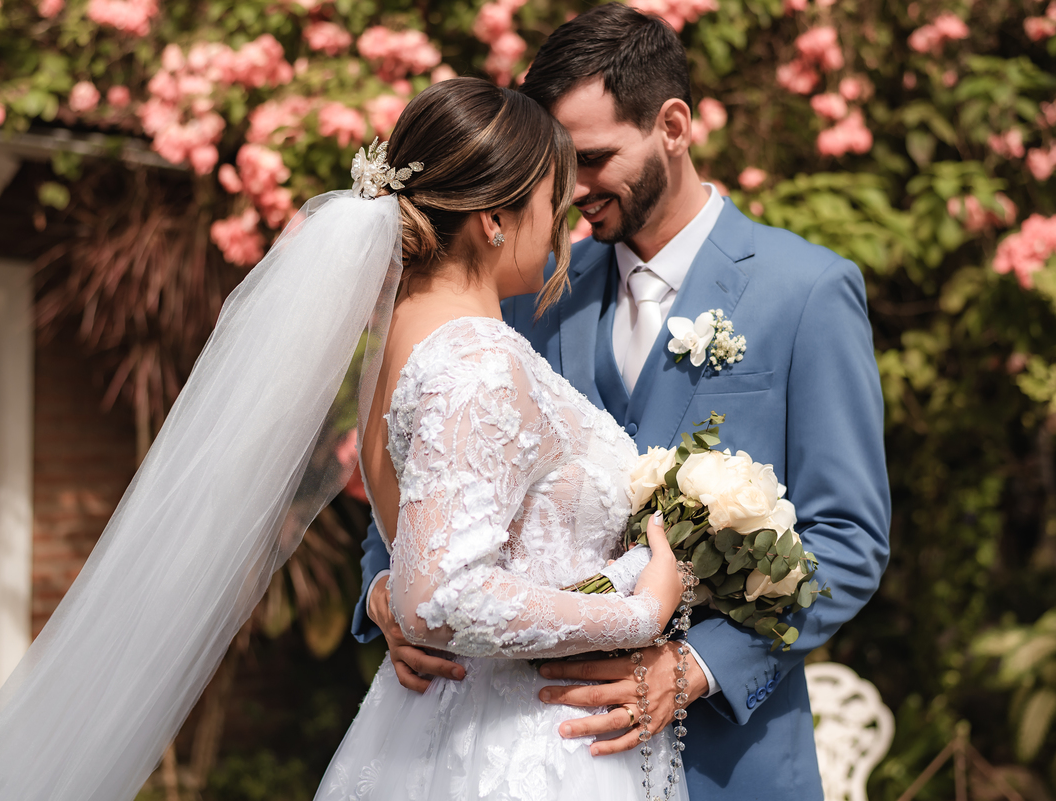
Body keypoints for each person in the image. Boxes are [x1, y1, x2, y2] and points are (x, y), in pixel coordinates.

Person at [0, 77, 687, 801]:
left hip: (453, 724)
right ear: (494, 218)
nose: (562, 224)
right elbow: (443, 595)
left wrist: (390, 589)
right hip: (517, 744)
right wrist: (640, 611)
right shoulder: (477, 359)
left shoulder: (407, 343)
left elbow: (422, 567)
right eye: (552, 203)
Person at [353, 5, 892, 799]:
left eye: (595, 158)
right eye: (558, 166)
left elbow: (847, 536)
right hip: (529, 747)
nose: (570, 190)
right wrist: (388, 598)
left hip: (727, 759)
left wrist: (696, 668)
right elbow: (429, 477)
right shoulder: (526, 300)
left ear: (672, 125)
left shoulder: (806, 291)